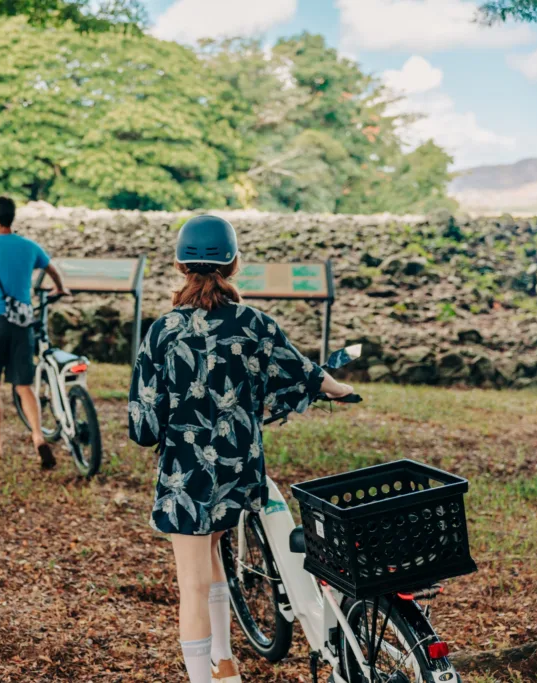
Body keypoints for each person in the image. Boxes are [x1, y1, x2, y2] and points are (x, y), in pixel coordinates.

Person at [127, 215, 354, 683]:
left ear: (178, 265)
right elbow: (305, 372)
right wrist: (339, 388)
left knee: (192, 582)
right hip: (239, 473)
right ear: (233, 266)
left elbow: (144, 425)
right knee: (214, 556)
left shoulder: (162, 332)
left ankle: (204, 679)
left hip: (185, 479)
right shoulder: (254, 323)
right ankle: (224, 662)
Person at [0, 196, 70, 469]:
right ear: (13, 217)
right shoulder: (29, 247)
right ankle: (38, 436)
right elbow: (52, 270)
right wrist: (60, 288)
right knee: (23, 384)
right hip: (21, 322)